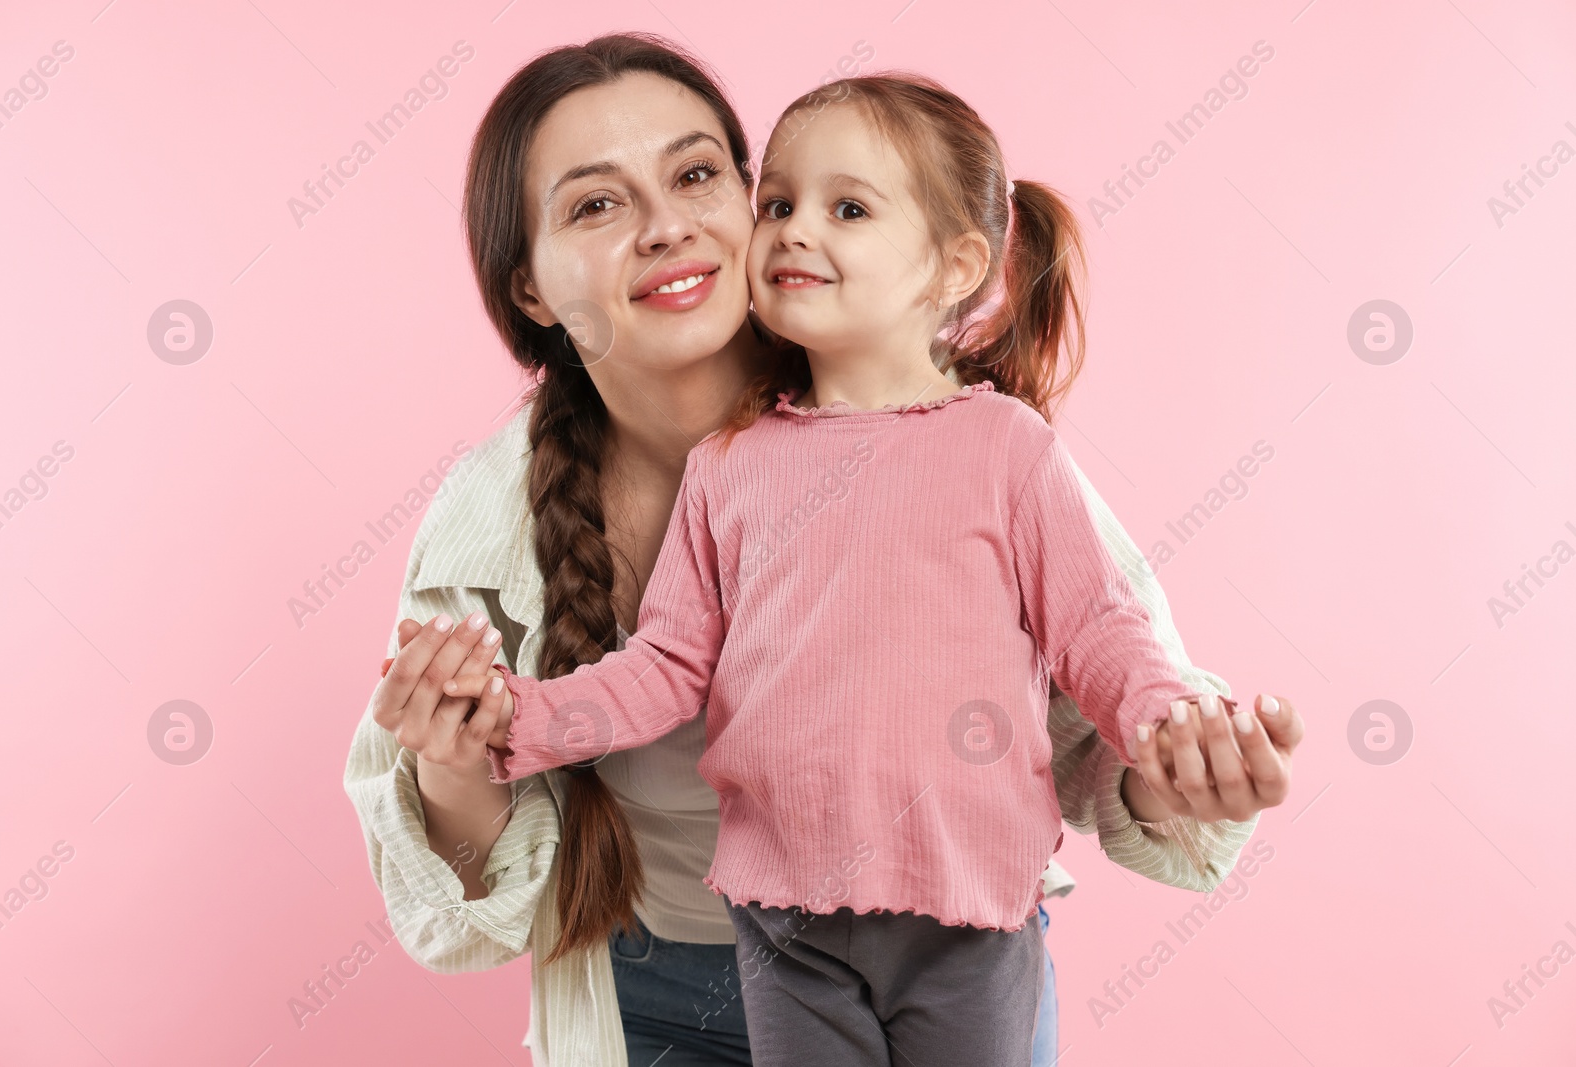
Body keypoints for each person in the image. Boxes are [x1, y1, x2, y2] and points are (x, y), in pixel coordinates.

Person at [343, 33, 1302, 1067]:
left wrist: (1179, 751)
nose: (668, 226)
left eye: (698, 175)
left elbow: (1105, 654)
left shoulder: (977, 436)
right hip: (672, 978)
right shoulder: (528, 514)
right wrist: (478, 741)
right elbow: (478, 886)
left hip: (960, 925)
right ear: (529, 285)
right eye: (596, 204)